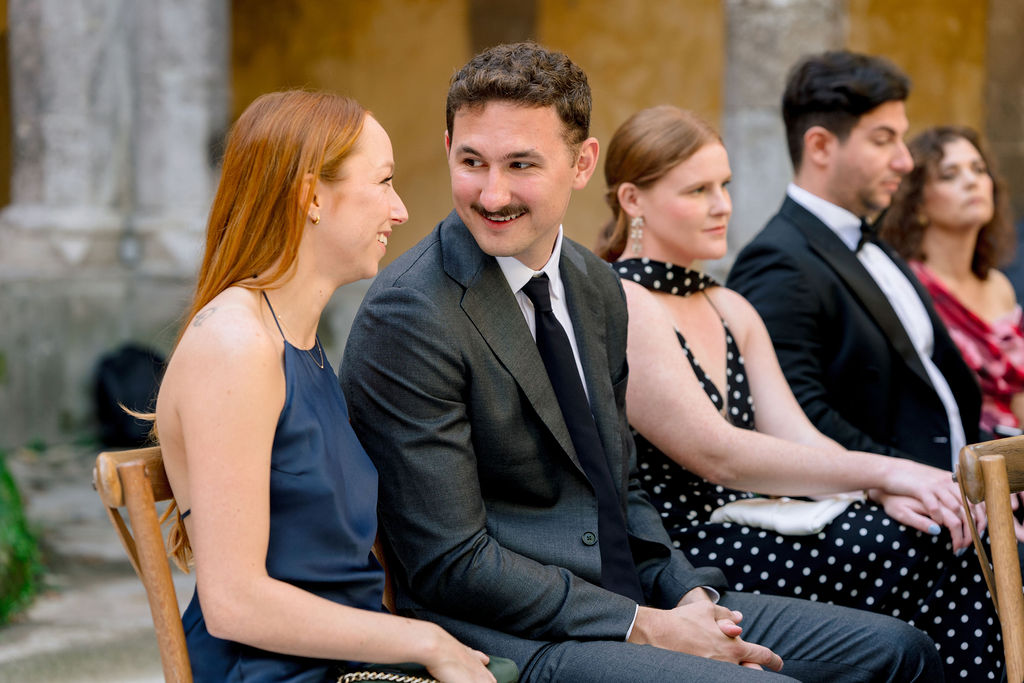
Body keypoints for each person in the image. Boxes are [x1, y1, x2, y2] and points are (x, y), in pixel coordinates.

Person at [340, 42, 941, 682]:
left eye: (521, 164)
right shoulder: (409, 314)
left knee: (899, 653)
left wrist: (689, 598)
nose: (493, 193)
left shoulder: (596, 287)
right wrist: (650, 627)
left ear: (581, 162)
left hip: (642, 599)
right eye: (472, 161)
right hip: (512, 637)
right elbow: (451, 562)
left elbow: (620, 483)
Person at [597, 104, 1000, 681]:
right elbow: (718, 453)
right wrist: (888, 474)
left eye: (725, 185)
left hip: (760, 523)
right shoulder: (621, 299)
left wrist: (879, 490)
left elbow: (800, 438)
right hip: (684, 554)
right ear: (633, 200)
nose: (722, 206)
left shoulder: (728, 305)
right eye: (697, 191)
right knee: (929, 547)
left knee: (941, 533)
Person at [153, 90, 497, 683]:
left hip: (352, 661)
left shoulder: (298, 342)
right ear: (312, 195)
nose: (401, 210)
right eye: (383, 182)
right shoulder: (235, 347)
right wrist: (426, 641)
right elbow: (234, 603)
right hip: (274, 671)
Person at [727, 50, 982, 474]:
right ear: (821, 146)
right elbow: (797, 419)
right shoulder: (777, 260)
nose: (905, 160)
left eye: (901, 138)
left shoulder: (874, 245)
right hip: (894, 519)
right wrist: (917, 484)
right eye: (883, 140)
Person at [881, 125, 1024, 436]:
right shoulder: (905, 286)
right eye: (949, 175)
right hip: (951, 461)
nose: (971, 181)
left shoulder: (999, 285)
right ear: (917, 202)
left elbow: (1018, 394)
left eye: (978, 169)